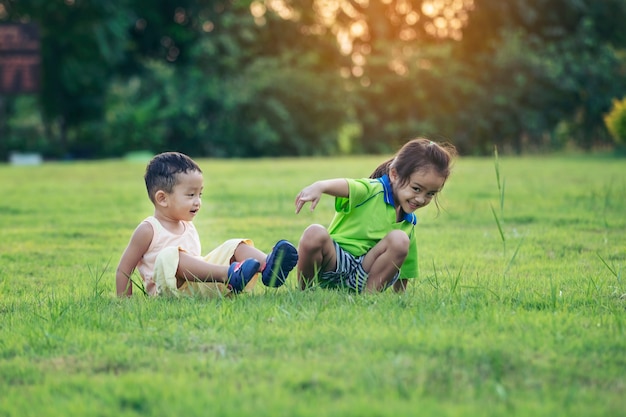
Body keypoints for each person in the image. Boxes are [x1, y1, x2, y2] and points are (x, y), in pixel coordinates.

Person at [116, 151, 298, 297]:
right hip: (168, 292)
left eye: (200, 194)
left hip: (201, 286)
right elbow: (124, 269)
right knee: (169, 256)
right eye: (190, 195)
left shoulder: (186, 225)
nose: (197, 201)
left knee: (233, 245)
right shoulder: (148, 229)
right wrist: (125, 302)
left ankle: (267, 266)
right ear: (163, 199)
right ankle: (230, 274)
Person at [294, 138, 457, 293]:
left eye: (430, 193)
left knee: (400, 240)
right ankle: (304, 291)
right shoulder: (372, 189)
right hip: (335, 264)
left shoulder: (408, 222)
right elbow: (349, 186)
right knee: (314, 232)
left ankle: (368, 298)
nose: (421, 199)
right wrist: (320, 186)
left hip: (366, 274)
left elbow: (405, 266)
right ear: (394, 174)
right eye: (416, 188)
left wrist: (401, 295)